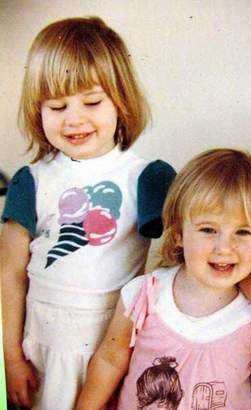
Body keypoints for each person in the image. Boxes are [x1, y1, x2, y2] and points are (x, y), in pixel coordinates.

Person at [0, 16, 176, 410]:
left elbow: (209, 238)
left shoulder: (146, 177)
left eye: (92, 102)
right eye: (57, 106)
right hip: (41, 346)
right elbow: (8, 275)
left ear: (121, 101)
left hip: (111, 351)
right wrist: (10, 358)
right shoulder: (31, 182)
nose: (74, 118)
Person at [76, 149, 251, 410]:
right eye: (208, 230)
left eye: (242, 231)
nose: (224, 247)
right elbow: (110, 359)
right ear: (179, 233)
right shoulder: (145, 295)